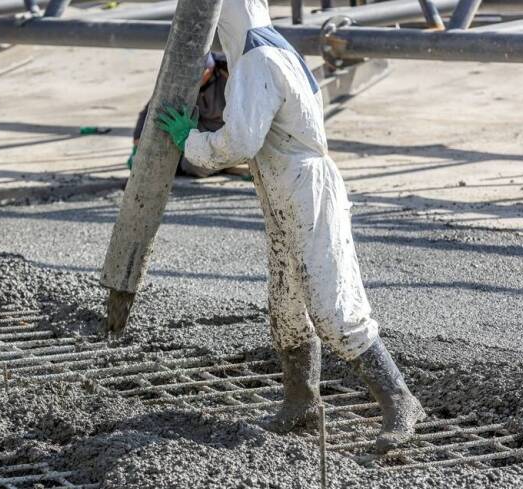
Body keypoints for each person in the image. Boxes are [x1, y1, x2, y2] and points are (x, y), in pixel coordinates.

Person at [156, 0, 425, 453]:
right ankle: (301, 403)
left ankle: (400, 400)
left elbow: (240, 141)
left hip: (306, 192)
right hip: (286, 188)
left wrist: (192, 141)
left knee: (331, 306)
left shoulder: (257, 60)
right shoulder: (267, 48)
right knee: (286, 306)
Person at [129, 53, 229, 178]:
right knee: (165, 125)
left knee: (196, 166)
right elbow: (154, 108)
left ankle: (180, 165)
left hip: (222, 131)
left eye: (201, 73)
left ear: (210, 70)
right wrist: (138, 139)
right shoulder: (182, 82)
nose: (195, 79)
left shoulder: (228, 77)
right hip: (194, 125)